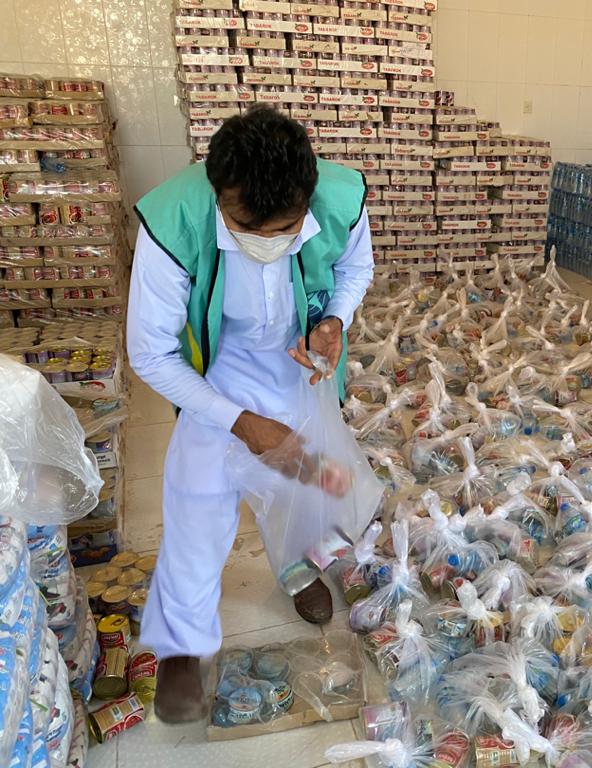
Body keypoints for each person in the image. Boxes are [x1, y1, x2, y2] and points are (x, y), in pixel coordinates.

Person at [126, 105, 373, 723]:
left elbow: (354, 268)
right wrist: (238, 420)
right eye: (245, 226)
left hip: (295, 366)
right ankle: (182, 645)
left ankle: (298, 568)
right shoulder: (172, 219)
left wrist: (333, 321)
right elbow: (149, 353)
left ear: (307, 198)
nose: (266, 241)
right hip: (213, 374)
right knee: (198, 501)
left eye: (285, 227)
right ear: (218, 193)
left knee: (306, 484)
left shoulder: (340, 198)